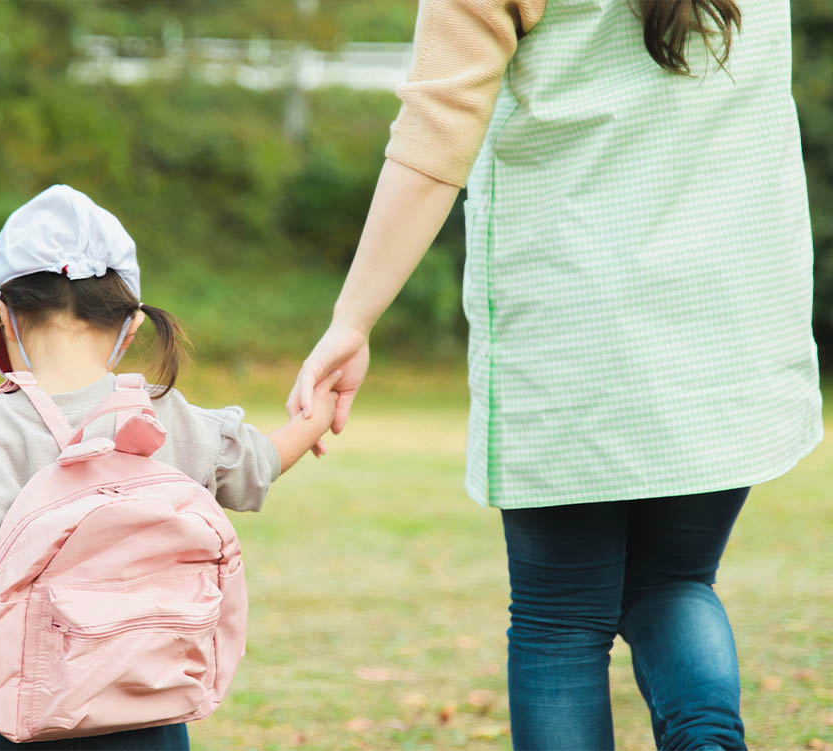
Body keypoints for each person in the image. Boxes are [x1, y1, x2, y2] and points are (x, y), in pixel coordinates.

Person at [286, 0, 823, 748]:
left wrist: (352, 319)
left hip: (574, 327)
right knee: (676, 582)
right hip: (728, 321)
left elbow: (435, 135)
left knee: (561, 618)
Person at [0, 184, 340, 751]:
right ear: (131, 328)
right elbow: (259, 461)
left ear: (2, 318)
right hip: (144, 697)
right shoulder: (168, 414)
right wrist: (320, 407)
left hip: (14, 708)